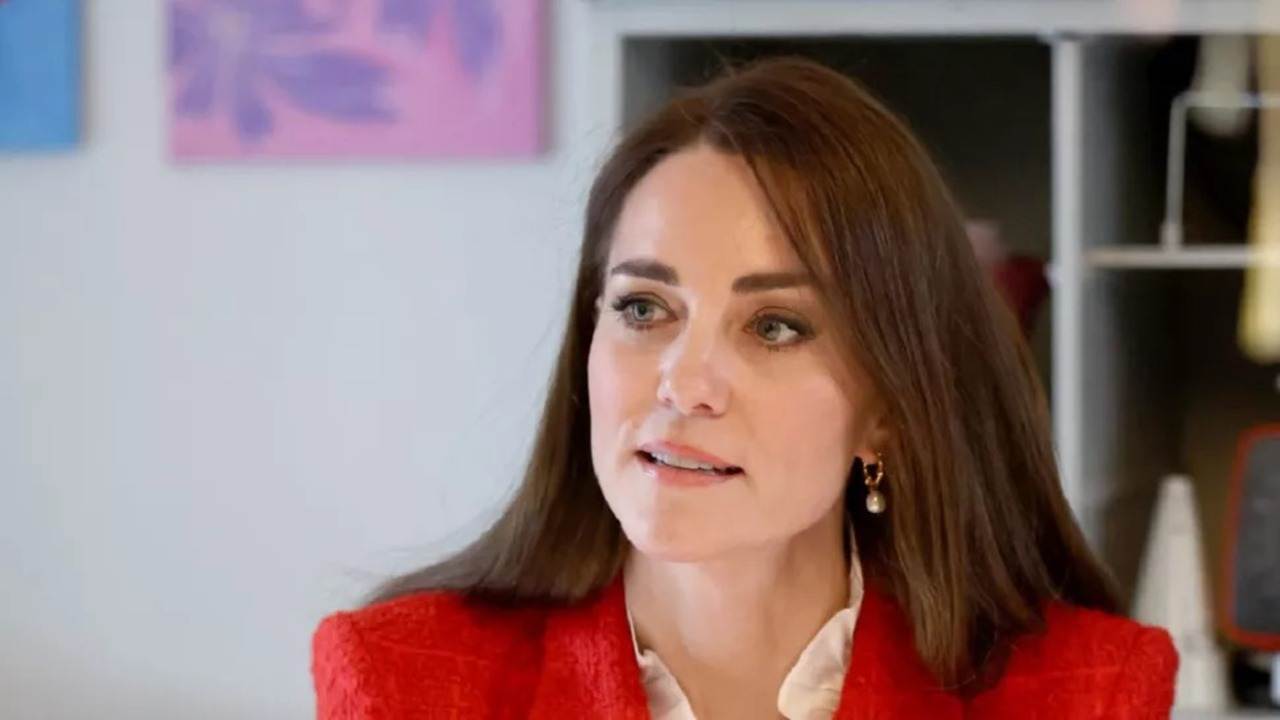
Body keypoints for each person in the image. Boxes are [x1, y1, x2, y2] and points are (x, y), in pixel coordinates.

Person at [311, 56, 1178, 719]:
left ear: (888, 410)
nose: (683, 384)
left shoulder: (1084, 694)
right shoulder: (403, 683)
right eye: (644, 308)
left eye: (774, 327)